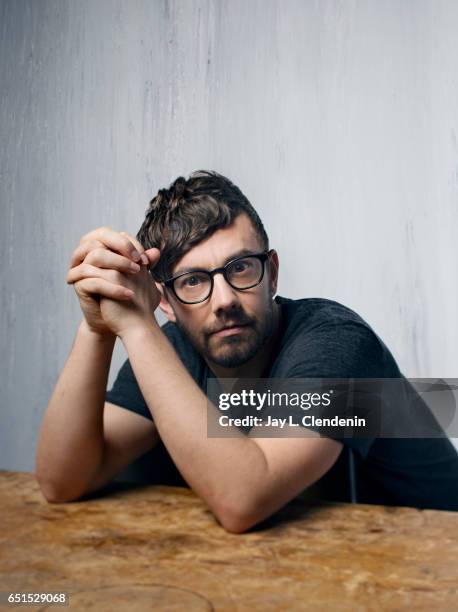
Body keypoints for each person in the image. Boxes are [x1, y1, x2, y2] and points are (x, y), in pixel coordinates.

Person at [35, 170, 458, 532]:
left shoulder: (336, 342)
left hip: (434, 561)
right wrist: (98, 327)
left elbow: (243, 500)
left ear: (271, 273)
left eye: (240, 268)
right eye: (193, 280)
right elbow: (62, 482)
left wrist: (138, 327)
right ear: (165, 301)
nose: (224, 300)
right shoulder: (174, 351)